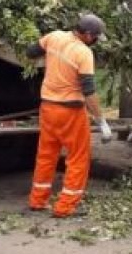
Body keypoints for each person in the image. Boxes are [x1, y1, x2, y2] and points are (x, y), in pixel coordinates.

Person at [25, 14, 111, 218]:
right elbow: (89, 91)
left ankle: (38, 200)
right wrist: (101, 121)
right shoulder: (83, 53)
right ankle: (66, 206)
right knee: (78, 158)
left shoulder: (54, 36)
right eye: (96, 36)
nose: (97, 40)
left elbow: (30, 52)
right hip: (71, 111)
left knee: (46, 155)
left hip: (48, 108)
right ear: (88, 35)